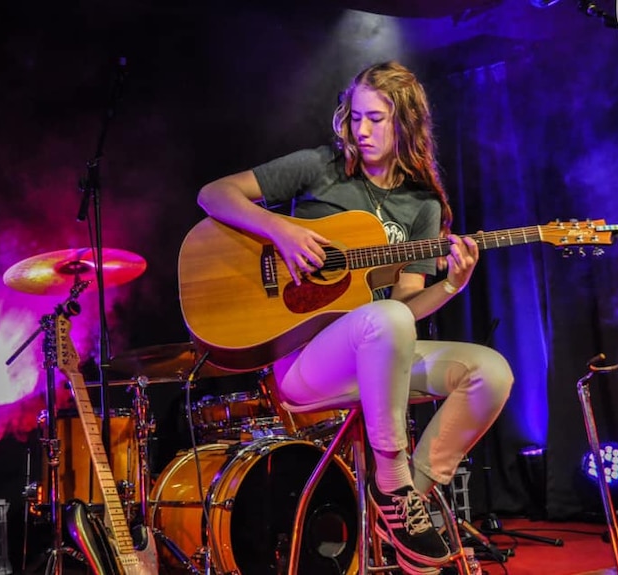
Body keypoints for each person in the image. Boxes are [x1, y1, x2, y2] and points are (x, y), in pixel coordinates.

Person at [196, 60, 514, 574]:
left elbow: (406, 310)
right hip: (305, 365)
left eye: (376, 119)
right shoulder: (319, 166)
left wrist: (452, 286)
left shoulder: (421, 204)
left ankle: (409, 502)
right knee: (385, 318)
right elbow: (213, 194)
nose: (360, 131)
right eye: (355, 117)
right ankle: (392, 479)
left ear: (406, 124)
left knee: (491, 373)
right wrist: (281, 230)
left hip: (380, 350)